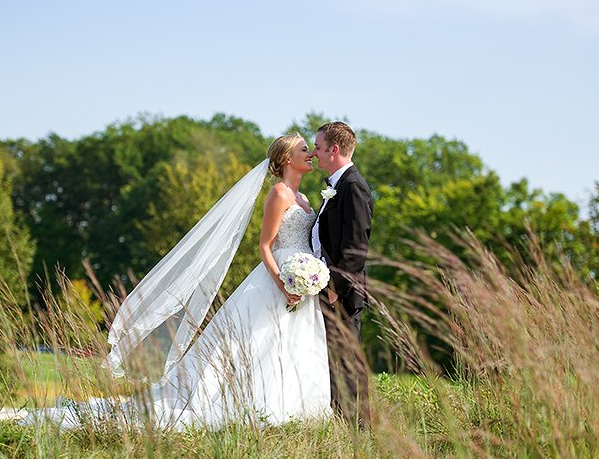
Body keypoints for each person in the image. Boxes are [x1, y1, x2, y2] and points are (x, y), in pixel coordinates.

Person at [24, 134, 332, 429]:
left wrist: (306, 279)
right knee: (252, 341)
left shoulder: (303, 197)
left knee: (287, 340)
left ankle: (294, 402)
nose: (310, 154)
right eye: (304, 149)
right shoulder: (278, 193)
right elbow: (266, 245)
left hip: (304, 280)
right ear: (286, 158)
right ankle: (249, 402)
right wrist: (282, 282)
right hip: (278, 277)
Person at [311, 121, 374, 428]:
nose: (314, 153)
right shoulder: (336, 185)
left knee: (347, 364)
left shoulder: (353, 187)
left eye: (319, 147)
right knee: (335, 361)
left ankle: (356, 430)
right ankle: (340, 424)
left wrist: (336, 287)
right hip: (327, 290)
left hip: (342, 295)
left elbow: (356, 247)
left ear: (334, 150)